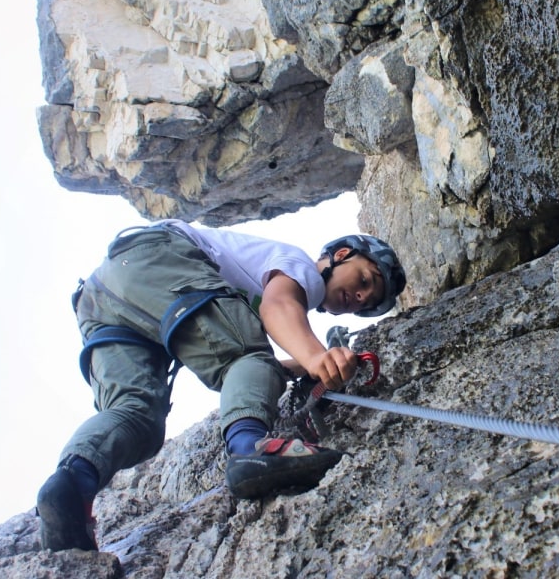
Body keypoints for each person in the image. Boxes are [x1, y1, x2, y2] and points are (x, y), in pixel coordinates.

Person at [35, 219, 407, 551]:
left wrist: (298, 365)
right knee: (247, 355)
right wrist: (315, 356)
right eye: (364, 280)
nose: (358, 297)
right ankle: (251, 448)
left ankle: (73, 484)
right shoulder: (301, 269)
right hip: (160, 257)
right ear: (341, 255)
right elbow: (274, 311)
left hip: (104, 296)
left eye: (364, 303)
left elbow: (231, 351)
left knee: (137, 414)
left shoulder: (274, 284)